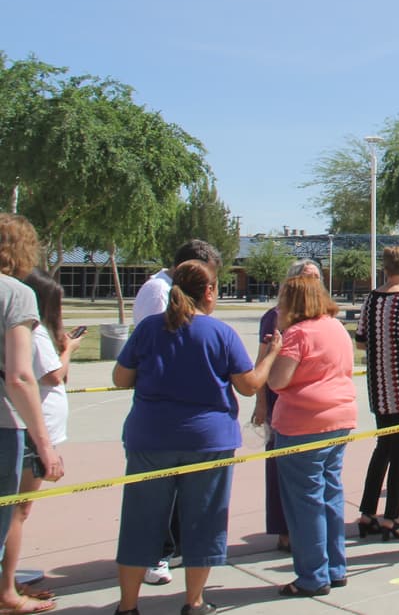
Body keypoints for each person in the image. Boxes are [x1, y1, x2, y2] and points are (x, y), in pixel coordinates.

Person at [113, 259, 280, 615]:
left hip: (150, 438)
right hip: (208, 441)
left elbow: (120, 378)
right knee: (202, 520)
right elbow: (249, 386)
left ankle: (127, 606)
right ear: (208, 292)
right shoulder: (220, 334)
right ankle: (194, 601)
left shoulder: (147, 330)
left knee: (140, 522)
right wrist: (271, 356)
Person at [131, 238, 223, 587]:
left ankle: (174, 547)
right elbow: (157, 346)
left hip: (176, 411)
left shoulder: (171, 293)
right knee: (159, 492)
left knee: (180, 489)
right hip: (163, 409)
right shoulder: (159, 292)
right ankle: (157, 556)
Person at [268, 275, 357, 597]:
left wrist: (271, 351)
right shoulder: (335, 328)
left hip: (303, 424)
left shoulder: (297, 334)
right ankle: (336, 567)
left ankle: (312, 575)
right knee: (330, 493)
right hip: (339, 417)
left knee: (304, 502)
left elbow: (278, 380)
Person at [0, 270, 79, 614]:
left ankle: (8, 580)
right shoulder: (33, 330)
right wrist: (69, 350)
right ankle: (7, 587)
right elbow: (52, 374)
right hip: (32, 429)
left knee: (16, 511)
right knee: (17, 510)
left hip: (30, 427)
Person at [251, 259, 323, 556]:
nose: (313, 283)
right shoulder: (275, 317)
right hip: (282, 404)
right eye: (308, 277)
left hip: (315, 407)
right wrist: (261, 402)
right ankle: (284, 529)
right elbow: (263, 363)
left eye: (317, 277)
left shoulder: (322, 319)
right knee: (280, 467)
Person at [355, 247, 399, 541]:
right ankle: (391, 517)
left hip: (378, 388)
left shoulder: (371, 300)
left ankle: (368, 511)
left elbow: (360, 342)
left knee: (383, 448)